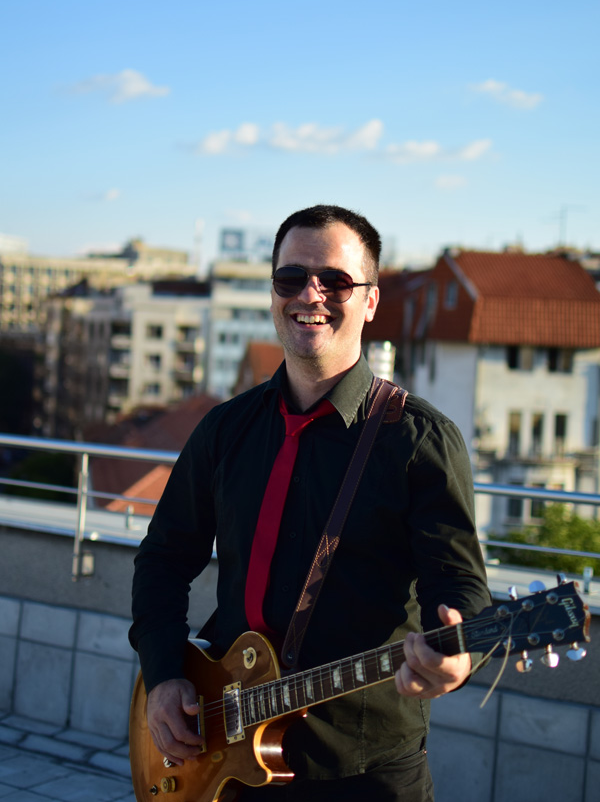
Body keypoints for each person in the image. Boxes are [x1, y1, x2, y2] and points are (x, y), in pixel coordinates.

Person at [129, 204, 491, 801]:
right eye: (290, 277)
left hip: (366, 773)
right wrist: (165, 673)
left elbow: (458, 586)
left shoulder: (419, 441)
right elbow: (163, 558)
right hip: (227, 753)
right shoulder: (225, 429)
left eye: (336, 281)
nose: (309, 294)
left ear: (370, 301)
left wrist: (460, 653)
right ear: (273, 292)